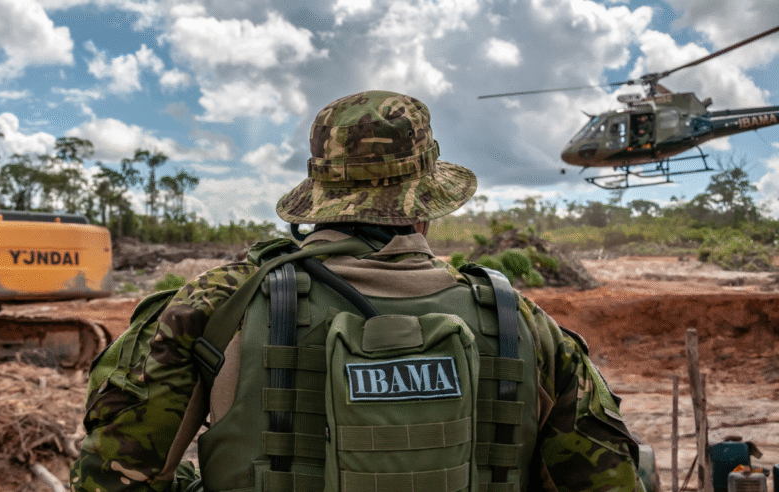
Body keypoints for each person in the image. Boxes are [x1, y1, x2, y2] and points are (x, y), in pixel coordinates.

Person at [70, 90, 647, 492]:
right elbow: (610, 480)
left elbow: (111, 478)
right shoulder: (521, 322)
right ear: (425, 204)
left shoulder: (219, 305)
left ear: (320, 197)